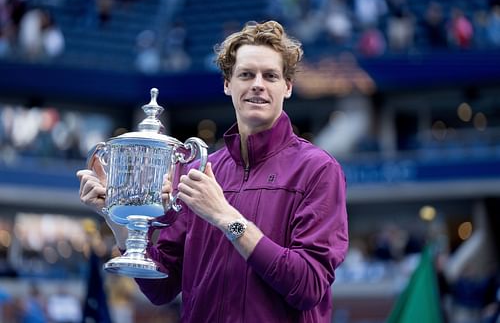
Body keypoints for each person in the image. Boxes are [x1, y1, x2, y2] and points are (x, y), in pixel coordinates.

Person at [77, 20, 349, 322]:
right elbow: (161, 288)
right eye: (246, 74)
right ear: (227, 84)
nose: (257, 83)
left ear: (287, 87)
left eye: (270, 75)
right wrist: (116, 218)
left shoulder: (318, 169)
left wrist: (226, 218)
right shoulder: (197, 172)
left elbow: (308, 286)